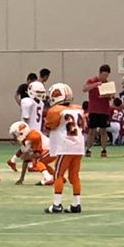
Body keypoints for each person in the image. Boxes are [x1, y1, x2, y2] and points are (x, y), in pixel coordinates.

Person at [43, 83, 85, 214]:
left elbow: (49, 127)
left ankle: (57, 204)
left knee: (58, 174)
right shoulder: (78, 109)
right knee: (74, 175)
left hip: (65, 146)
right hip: (79, 146)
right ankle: (76, 204)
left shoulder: (55, 110)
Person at [83, 64, 114, 157]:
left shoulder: (107, 84)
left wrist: (109, 95)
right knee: (92, 131)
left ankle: (104, 150)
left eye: (107, 75)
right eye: (104, 75)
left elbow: (111, 97)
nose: (105, 77)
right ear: (100, 73)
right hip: (93, 110)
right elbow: (84, 89)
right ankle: (88, 149)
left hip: (104, 110)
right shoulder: (92, 80)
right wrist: (95, 85)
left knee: (103, 131)